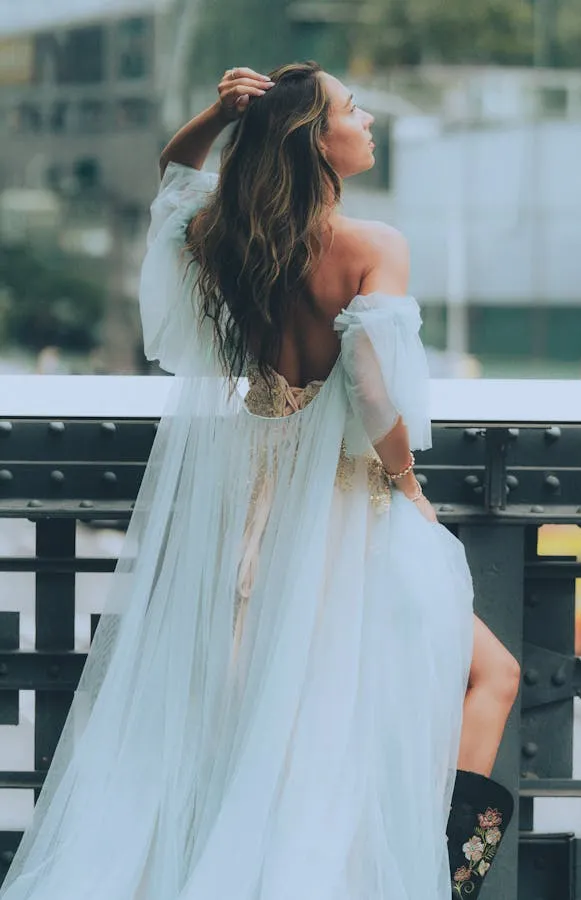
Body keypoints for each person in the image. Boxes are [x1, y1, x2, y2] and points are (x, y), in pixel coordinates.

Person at [0, 62, 520, 900]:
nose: (368, 121)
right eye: (353, 110)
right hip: (347, 510)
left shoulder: (232, 241)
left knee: (283, 724)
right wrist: (410, 484)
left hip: (256, 507)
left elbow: (175, 176)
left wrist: (218, 115)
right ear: (316, 140)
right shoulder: (373, 246)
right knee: (484, 677)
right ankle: (441, 880)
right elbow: (373, 388)